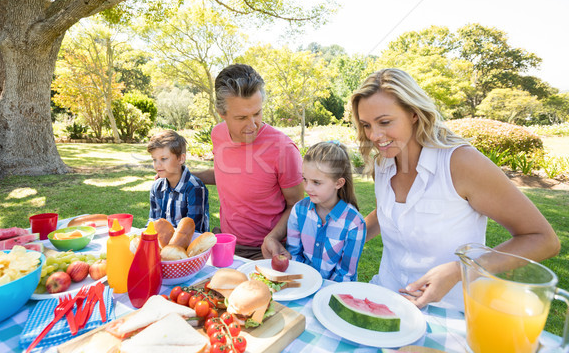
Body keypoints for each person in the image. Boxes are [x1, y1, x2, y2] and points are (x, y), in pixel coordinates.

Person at [350, 68, 560, 310]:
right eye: (366, 125)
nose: (374, 135)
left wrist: (461, 269)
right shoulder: (383, 163)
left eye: (385, 122)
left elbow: (543, 239)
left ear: (414, 113)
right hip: (386, 297)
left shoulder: (461, 163)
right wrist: (346, 237)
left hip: (452, 312)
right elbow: (385, 213)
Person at [195, 64, 304, 260]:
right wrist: (185, 175)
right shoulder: (217, 134)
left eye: (257, 113)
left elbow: (297, 204)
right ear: (222, 113)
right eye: (241, 117)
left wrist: (273, 238)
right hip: (224, 241)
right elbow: (226, 174)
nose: (252, 125)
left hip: (265, 250)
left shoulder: (284, 149)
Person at [287, 141, 367, 281]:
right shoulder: (299, 211)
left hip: (334, 291)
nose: (307, 188)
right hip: (302, 284)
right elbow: (294, 255)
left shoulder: (354, 223)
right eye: (305, 179)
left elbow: (345, 274)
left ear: (338, 183)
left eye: (316, 182)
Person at [147, 130, 210, 233]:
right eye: (154, 159)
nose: (157, 165)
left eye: (163, 159)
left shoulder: (195, 188)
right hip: (163, 243)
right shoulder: (156, 187)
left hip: (188, 243)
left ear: (181, 159)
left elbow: (193, 230)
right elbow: (153, 221)